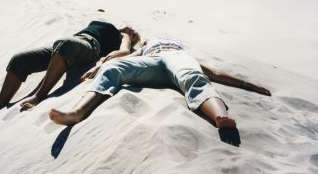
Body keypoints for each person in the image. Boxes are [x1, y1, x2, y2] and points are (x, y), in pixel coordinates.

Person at [49, 38, 271, 129]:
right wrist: (100, 66)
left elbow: (212, 71)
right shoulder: (145, 46)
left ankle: (219, 116)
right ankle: (77, 112)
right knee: (112, 69)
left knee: (192, 76)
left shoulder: (179, 48)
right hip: (151, 62)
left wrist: (247, 84)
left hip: (175, 58)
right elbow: (123, 60)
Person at [0, 21, 140, 124]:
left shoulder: (122, 35)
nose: (132, 30)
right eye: (131, 30)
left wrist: (118, 50)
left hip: (88, 47)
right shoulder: (106, 25)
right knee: (19, 60)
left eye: (135, 34)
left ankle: (39, 95)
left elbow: (125, 51)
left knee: (65, 43)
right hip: (65, 45)